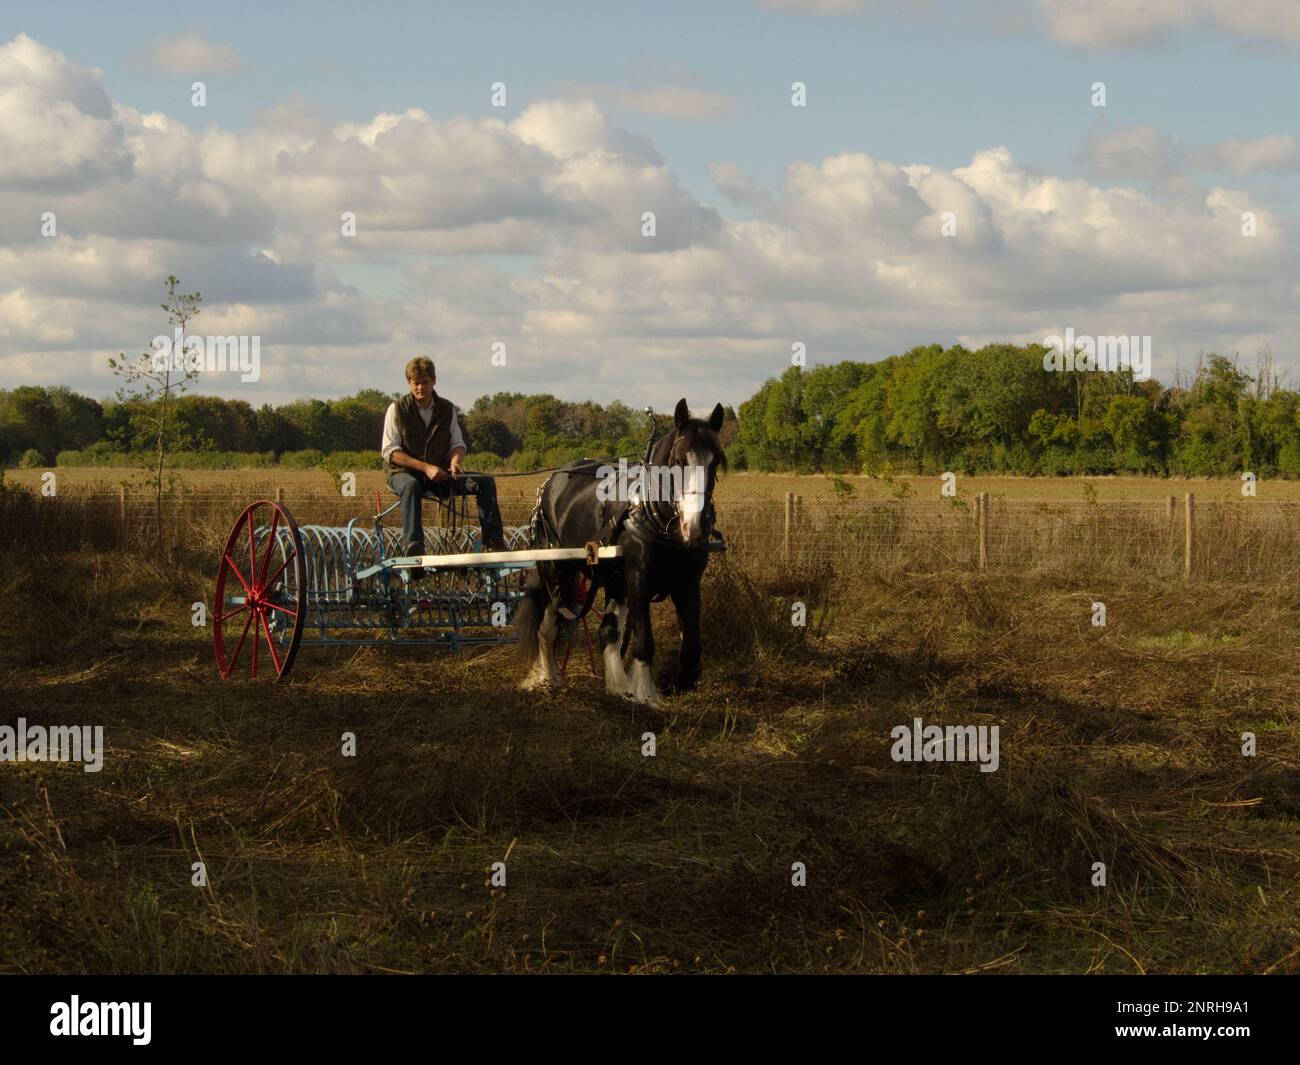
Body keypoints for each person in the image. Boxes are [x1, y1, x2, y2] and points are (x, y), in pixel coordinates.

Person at [381, 357, 506, 563]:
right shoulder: (396, 410)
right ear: (409, 383)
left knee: (484, 482)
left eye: (425, 382)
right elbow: (391, 452)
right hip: (402, 474)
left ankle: (493, 541)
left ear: (434, 381)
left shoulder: (447, 409)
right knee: (411, 486)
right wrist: (425, 468)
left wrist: (455, 461)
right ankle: (414, 547)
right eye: (415, 383)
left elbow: (457, 443)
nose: (420, 387)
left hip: (439, 473)